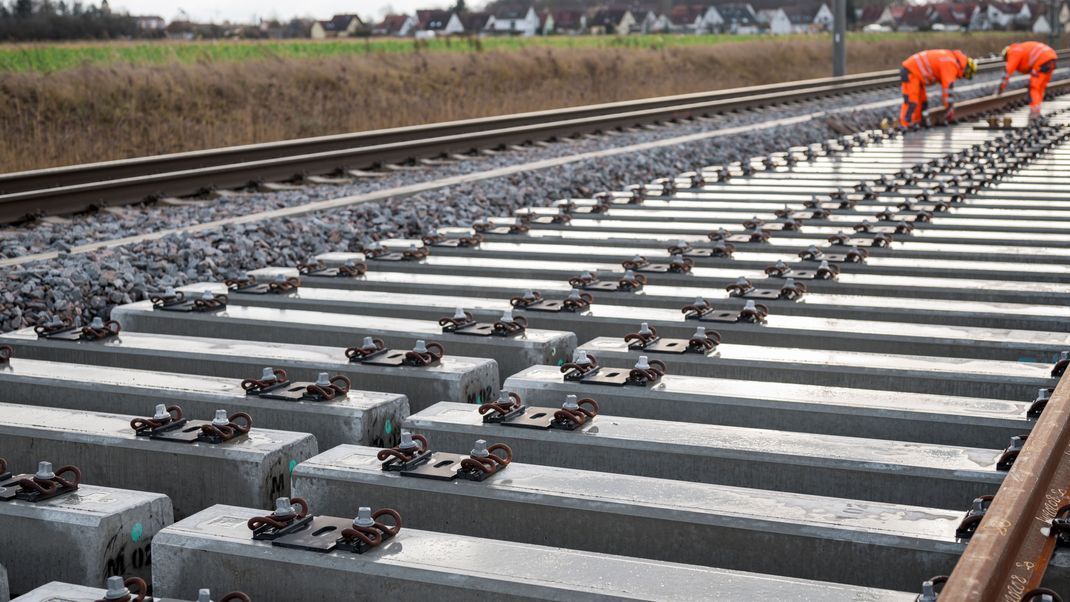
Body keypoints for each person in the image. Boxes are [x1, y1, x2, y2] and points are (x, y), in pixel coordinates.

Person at [899, 49, 977, 128]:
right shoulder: (951, 63)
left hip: (915, 73)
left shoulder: (951, 59)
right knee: (912, 101)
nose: (963, 76)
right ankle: (905, 125)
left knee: (922, 102)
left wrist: (949, 107)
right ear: (966, 69)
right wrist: (949, 108)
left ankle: (917, 123)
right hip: (911, 71)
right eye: (967, 74)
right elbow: (948, 89)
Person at [998, 41, 1058, 118]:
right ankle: (1037, 109)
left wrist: (1001, 87)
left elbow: (1008, 71)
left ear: (1006, 54)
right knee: (1040, 87)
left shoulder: (1013, 52)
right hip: (1052, 58)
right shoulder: (1020, 48)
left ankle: (1034, 112)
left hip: (1042, 60)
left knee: (1033, 87)